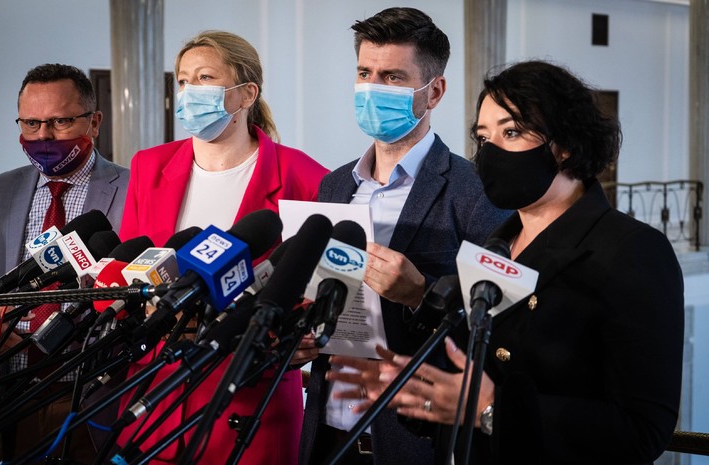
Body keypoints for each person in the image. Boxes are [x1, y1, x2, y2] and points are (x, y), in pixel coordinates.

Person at [328, 60, 684, 465]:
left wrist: (491, 409)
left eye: (511, 132)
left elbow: (642, 431)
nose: (491, 150)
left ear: (565, 144)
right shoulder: (496, 244)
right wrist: (425, 395)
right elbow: (472, 377)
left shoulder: (632, 249)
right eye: (483, 137)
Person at [295, 8, 510, 465]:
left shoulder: (475, 192)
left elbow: (502, 330)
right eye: (365, 74)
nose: (373, 88)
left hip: (412, 443)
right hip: (327, 433)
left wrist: (418, 295)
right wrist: (302, 339)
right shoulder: (334, 186)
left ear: (434, 91)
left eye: (393, 77)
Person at [116, 30, 328, 465]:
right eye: (183, 80)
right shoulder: (149, 166)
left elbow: (322, 290)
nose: (189, 91)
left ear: (247, 93)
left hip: (251, 401)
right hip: (156, 393)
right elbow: (127, 272)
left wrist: (306, 337)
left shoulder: (304, 175)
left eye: (205, 78)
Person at [0, 63, 129, 463]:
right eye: (31, 123)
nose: (43, 135)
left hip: (94, 395)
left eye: (60, 122)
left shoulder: (134, 189)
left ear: (94, 122)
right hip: (13, 394)